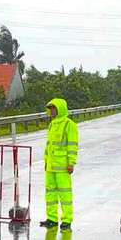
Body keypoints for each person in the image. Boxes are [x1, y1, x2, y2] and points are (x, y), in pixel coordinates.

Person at [40, 98, 78, 230]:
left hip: (62, 167)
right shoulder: (52, 124)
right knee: (50, 193)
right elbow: (49, 145)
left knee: (65, 193)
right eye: (50, 108)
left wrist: (71, 163)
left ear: (60, 109)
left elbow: (72, 145)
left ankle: (67, 219)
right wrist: (46, 161)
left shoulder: (69, 125)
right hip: (51, 166)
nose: (51, 111)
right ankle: (52, 218)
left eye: (53, 108)